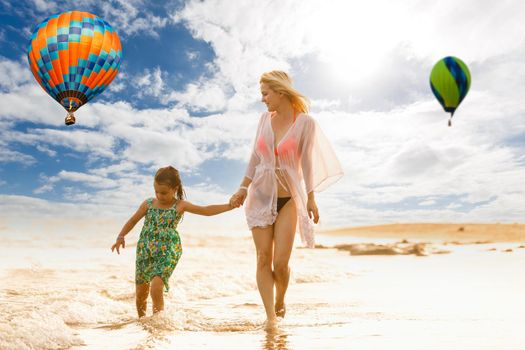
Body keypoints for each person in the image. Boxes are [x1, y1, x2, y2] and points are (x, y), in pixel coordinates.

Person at [229, 70, 343, 327]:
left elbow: (309, 163)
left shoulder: (306, 123)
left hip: (289, 198)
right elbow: (255, 158)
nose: (262, 99)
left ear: (280, 92)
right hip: (260, 196)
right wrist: (242, 188)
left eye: (265, 93)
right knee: (262, 258)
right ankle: (270, 318)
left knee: (280, 264)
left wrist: (311, 198)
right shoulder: (263, 120)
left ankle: (281, 299)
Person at [111, 166, 236, 318]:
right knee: (140, 294)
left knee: (156, 288)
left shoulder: (180, 205)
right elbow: (132, 220)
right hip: (145, 252)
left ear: (175, 188)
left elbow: (206, 210)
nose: (159, 195)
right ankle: (142, 323)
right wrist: (121, 236)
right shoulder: (148, 204)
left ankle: (158, 323)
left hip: (167, 251)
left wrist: (229, 206)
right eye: (156, 191)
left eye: (163, 192)